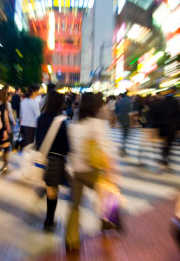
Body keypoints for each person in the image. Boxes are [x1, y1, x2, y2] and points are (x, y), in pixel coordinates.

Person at [65, 93, 114, 251]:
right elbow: (103, 149)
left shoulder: (74, 125)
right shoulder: (96, 124)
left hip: (76, 171)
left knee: (75, 205)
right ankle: (107, 223)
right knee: (107, 195)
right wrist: (109, 171)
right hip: (92, 171)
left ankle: (71, 239)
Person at [35, 91, 70, 231]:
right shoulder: (61, 121)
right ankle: (49, 221)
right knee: (53, 191)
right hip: (56, 159)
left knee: (48, 185)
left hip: (43, 158)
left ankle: (42, 192)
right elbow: (66, 146)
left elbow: (38, 142)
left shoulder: (41, 118)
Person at [149, 88, 180, 170]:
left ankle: (163, 157)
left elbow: (151, 114)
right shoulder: (175, 102)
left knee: (164, 142)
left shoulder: (159, 103)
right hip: (170, 127)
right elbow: (178, 115)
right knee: (169, 144)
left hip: (159, 128)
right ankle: (165, 158)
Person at [19, 84, 40, 148]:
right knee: (28, 145)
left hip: (23, 125)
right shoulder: (34, 103)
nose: (38, 93)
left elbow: (21, 115)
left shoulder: (23, 101)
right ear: (34, 92)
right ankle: (25, 157)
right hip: (31, 126)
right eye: (37, 91)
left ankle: (22, 155)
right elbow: (38, 117)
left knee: (24, 143)